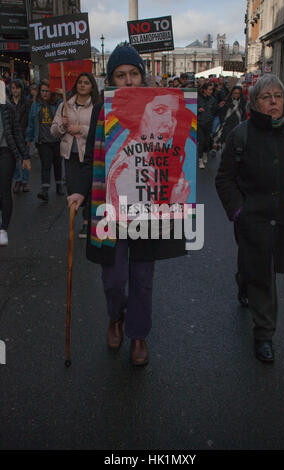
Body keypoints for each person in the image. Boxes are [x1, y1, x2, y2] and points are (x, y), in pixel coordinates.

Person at [67, 42, 187, 366]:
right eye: (120, 75)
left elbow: (176, 155)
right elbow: (88, 156)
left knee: (143, 278)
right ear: (111, 80)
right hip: (110, 207)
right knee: (114, 278)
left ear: (142, 76)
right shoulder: (101, 113)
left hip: (149, 208)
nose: (129, 80)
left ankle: (138, 335)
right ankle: (114, 317)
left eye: (134, 73)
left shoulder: (161, 108)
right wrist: (78, 191)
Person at [215, 74, 284, 363]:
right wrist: (239, 210)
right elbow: (224, 179)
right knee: (264, 275)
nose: (274, 102)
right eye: (266, 97)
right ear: (255, 102)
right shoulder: (241, 135)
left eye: (278, 96)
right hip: (253, 218)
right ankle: (264, 335)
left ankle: (244, 281)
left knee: (262, 266)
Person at [51, 72, 100, 238]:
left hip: (89, 153)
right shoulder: (65, 105)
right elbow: (54, 131)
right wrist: (63, 127)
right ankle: (75, 218)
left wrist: (82, 129)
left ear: (92, 86)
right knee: (73, 188)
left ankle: (87, 222)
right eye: (80, 82)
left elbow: (102, 130)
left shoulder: (96, 106)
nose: (83, 85)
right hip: (70, 153)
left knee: (90, 187)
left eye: (87, 82)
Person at [0, 85, 31, 246]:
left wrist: (25, 156)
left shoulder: (8, 108)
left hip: (6, 151)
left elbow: (17, 132)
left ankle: (3, 229)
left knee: (5, 188)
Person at [26, 80, 63, 201]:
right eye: (42, 91)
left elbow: (67, 109)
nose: (45, 93)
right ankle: (45, 190)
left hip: (57, 139)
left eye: (47, 91)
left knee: (57, 164)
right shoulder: (35, 105)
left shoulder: (57, 103)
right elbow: (31, 123)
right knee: (46, 164)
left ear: (51, 92)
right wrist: (29, 138)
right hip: (42, 141)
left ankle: (59, 186)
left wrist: (63, 95)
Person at [9, 79, 31, 193]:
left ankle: (25, 181)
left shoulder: (27, 102)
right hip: (12, 136)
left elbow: (29, 120)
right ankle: (17, 180)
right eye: (13, 88)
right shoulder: (7, 103)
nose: (15, 90)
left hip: (24, 134)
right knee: (14, 161)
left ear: (21, 89)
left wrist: (28, 136)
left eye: (17, 88)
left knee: (25, 158)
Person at [213, 86, 247, 151]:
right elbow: (221, 113)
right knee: (225, 144)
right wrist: (223, 121)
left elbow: (244, 115)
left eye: (238, 93)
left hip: (237, 125)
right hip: (227, 125)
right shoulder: (226, 102)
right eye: (235, 93)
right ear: (232, 93)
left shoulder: (242, 103)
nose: (236, 95)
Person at [197, 82, 217, 169]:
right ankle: (200, 159)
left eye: (212, 90)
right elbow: (192, 109)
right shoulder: (198, 98)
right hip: (199, 123)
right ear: (204, 90)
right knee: (201, 141)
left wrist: (219, 107)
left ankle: (205, 154)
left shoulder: (212, 99)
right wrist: (198, 110)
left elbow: (215, 110)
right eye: (209, 89)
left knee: (207, 141)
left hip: (209, 123)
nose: (211, 91)